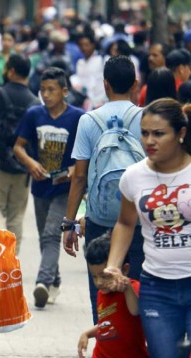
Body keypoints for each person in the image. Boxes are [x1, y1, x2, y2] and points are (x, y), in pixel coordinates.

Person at [105, 98, 191, 358]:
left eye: (158, 133)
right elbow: (125, 223)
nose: (149, 141)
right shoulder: (133, 176)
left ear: (180, 134)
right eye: (144, 133)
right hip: (157, 289)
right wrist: (114, 265)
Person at [63, 56, 145, 324]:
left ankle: (106, 346)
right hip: (139, 220)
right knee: (137, 285)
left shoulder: (89, 121)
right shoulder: (147, 119)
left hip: (99, 219)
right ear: (135, 84)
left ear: (105, 84)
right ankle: (138, 350)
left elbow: (79, 177)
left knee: (100, 286)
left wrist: (69, 224)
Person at [14, 67, 84, 308]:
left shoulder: (78, 118)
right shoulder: (34, 114)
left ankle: (42, 283)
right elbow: (18, 146)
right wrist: (30, 162)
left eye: (51, 90)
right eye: (42, 89)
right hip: (41, 185)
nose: (45, 94)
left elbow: (87, 152)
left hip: (66, 189)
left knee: (51, 234)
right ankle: (54, 280)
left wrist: (77, 169)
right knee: (46, 235)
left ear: (64, 91)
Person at [0, 54, 40, 255]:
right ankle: (10, 261)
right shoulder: (34, 103)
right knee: (16, 217)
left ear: (11, 71)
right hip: (23, 168)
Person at [77, 233, 150, 358]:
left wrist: (127, 287)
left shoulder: (133, 288)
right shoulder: (102, 293)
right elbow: (108, 323)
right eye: (94, 276)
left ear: (125, 269)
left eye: (104, 276)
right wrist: (87, 333)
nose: (98, 282)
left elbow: (135, 310)